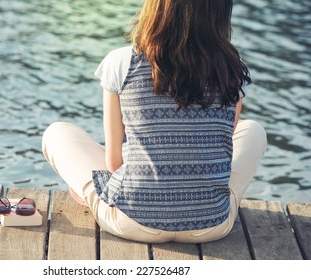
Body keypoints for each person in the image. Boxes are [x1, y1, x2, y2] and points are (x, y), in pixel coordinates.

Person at [42, 0, 267, 243]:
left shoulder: (122, 62)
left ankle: (89, 193)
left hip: (132, 221)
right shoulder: (232, 70)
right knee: (253, 131)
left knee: (57, 133)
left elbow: (114, 162)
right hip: (211, 224)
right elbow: (222, 152)